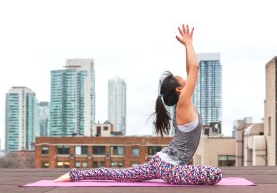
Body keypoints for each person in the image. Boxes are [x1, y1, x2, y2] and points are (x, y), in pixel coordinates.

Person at [54, 24, 222, 185]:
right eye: (181, 78)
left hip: (162, 162)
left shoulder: (185, 104)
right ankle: (75, 174)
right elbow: (194, 67)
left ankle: (74, 174)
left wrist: (186, 46)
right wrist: (189, 43)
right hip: (170, 168)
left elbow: (189, 69)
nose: (186, 78)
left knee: (121, 175)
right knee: (214, 174)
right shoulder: (183, 105)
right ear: (179, 89)